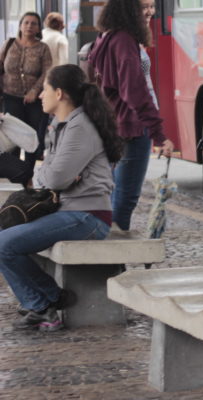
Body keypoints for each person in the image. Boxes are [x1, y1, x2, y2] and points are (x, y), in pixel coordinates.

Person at [0, 64, 123, 332]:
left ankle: (43, 304)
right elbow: (49, 173)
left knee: (4, 244)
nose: (41, 95)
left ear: (60, 93)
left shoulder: (80, 128)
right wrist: (53, 175)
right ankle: (48, 298)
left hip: (87, 216)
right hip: (68, 211)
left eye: (44, 89)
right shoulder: (63, 124)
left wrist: (52, 175)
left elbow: (53, 178)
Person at [87, 0, 174, 231]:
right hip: (134, 127)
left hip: (119, 124)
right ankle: (111, 261)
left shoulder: (108, 36)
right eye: (143, 6)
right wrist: (158, 133)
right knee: (125, 198)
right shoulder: (124, 40)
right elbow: (134, 91)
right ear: (127, 8)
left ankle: (109, 258)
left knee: (116, 194)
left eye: (152, 6)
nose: (150, 12)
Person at [2, 12, 53, 170]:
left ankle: (28, 173)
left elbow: (47, 72)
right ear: (20, 25)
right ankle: (14, 172)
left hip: (34, 100)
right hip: (10, 97)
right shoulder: (9, 44)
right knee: (12, 136)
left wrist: (34, 91)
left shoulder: (43, 48)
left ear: (39, 28)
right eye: (26, 22)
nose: (29, 26)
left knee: (32, 137)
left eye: (34, 23)